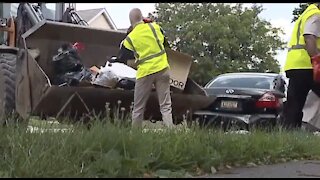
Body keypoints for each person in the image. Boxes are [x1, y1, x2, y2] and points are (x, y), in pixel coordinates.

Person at [116, 8, 174, 128]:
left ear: (130, 21)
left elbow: (122, 56)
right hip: (163, 68)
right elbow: (165, 44)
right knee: (165, 106)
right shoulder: (155, 27)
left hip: (145, 73)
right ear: (142, 17)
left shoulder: (130, 38)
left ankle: (135, 136)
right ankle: (171, 132)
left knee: (138, 108)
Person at [283, 3, 320, 130]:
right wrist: (317, 61)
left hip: (295, 65)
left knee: (294, 103)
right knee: (295, 102)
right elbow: (309, 37)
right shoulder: (315, 14)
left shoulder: (306, 12)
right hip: (307, 65)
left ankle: (288, 135)